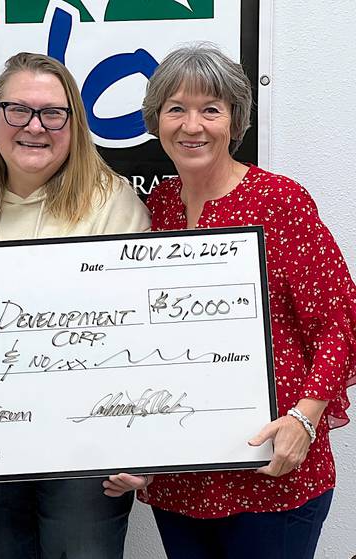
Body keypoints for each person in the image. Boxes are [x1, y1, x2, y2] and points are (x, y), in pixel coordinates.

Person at [103, 43, 356, 559]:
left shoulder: (278, 200)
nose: (191, 125)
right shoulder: (162, 206)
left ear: (234, 121)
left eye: (210, 109)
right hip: (182, 480)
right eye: (176, 108)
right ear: (157, 120)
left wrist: (305, 420)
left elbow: (339, 320)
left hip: (272, 467)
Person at [0, 52, 150, 559]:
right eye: (18, 110)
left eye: (53, 113)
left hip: (86, 448)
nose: (35, 126)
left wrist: (145, 441)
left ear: (74, 123)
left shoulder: (113, 204)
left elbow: (140, 335)